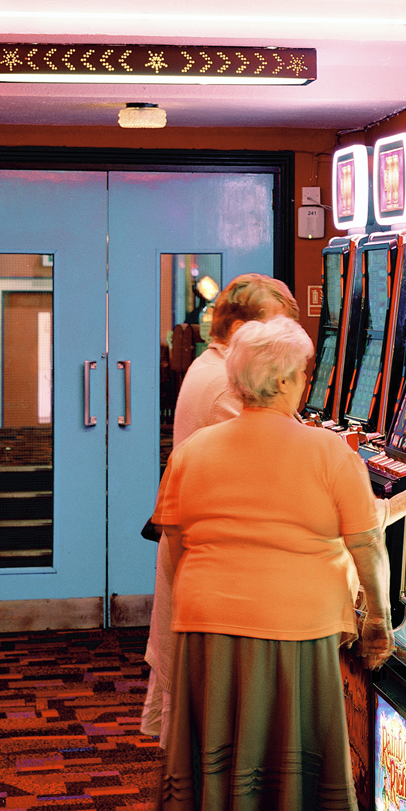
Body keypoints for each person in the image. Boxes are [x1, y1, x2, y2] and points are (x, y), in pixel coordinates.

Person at [152, 316, 391, 811]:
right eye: (305, 372)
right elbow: (368, 548)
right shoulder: (327, 452)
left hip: (206, 623)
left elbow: (176, 547)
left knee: (220, 758)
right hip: (294, 624)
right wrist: (376, 622)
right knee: (281, 760)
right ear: (287, 379)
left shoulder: (192, 453)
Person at [141, 273, 299, 746]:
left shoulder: (210, 368)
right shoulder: (228, 388)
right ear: (241, 332)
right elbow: (281, 470)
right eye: (273, 333)